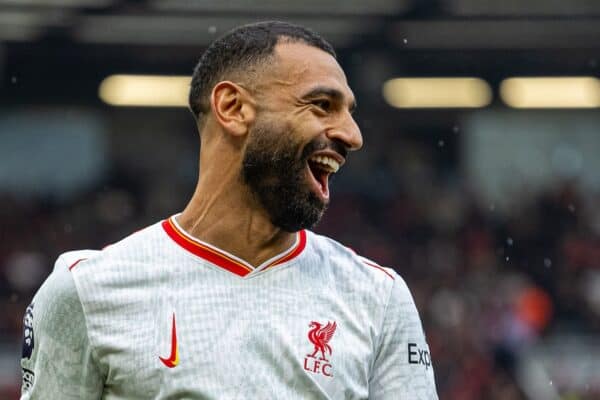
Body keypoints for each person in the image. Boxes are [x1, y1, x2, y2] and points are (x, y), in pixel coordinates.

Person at [20, 21, 438, 399]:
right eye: (321, 105)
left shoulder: (378, 298)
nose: (352, 135)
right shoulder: (86, 292)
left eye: (349, 111)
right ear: (233, 108)